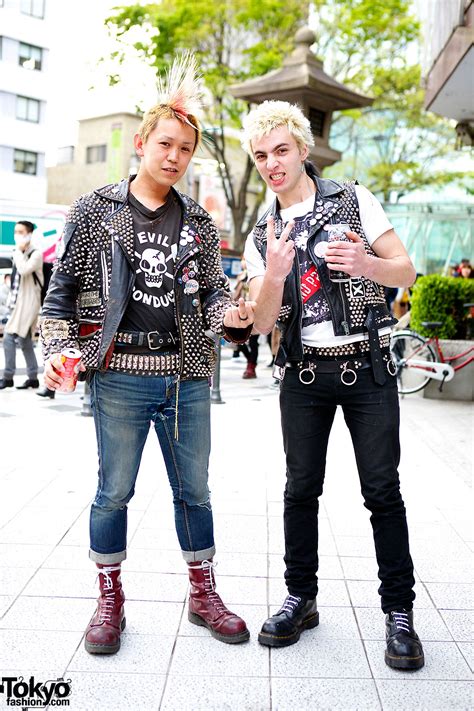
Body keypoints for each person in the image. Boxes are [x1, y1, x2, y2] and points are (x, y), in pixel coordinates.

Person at [40, 55, 254, 655]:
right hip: (118, 377)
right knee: (114, 491)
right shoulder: (94, 211)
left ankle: (202, 592)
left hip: (186, 377)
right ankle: (109, 596)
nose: (175, 157)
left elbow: (213, 298)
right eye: (166, 144)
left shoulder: (201, 223)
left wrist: (235, 316)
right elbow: (59, 300)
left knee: (196, 491)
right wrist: (59, 351)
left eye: (186, 150)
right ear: (141, 143)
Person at [241, 100, 424, 671]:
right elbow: (263, 321)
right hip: (302, 373)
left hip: (367, 369)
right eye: (261, 155)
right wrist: (272, 274)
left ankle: (399, 612)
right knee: (300, 490)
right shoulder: (262, 231)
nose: (272, 163)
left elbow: (406, 270)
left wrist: (368, 262)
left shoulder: (354, 200)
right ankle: (302, 598)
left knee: (381, 490)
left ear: (303, 150)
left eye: (281, 151)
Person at [0, 221, 43, 391]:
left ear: (29, 233)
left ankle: (7, 376)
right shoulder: (21, 252)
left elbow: (24, 269)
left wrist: (18, 252)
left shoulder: (36, 254)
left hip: (30, 303)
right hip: (18, 303)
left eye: (21, 232)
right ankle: (33, 378)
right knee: (25, 341)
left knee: (9, 338)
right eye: (16, 231)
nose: (17, 235)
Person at [232, 257, 259, 378]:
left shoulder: (258, 273)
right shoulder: (241, 276)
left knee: (253, 342)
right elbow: (236, 293)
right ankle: (250, 361)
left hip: (255, 310)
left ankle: (251, 367)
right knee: (238, 341)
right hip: (242, 310)